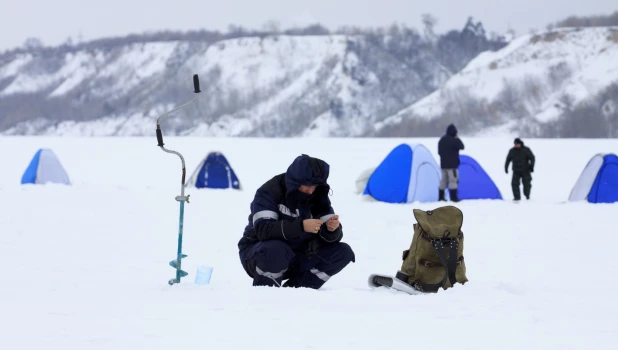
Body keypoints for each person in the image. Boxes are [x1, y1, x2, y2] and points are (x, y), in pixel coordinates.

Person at [238, 154, 355, 289]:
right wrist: (301, 226)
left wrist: (332, 229)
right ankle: (266, 297)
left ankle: (298, 292)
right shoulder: (269, 192)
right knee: (277, 249)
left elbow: (329, 237)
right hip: (259, 254)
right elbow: (264, 230)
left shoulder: (317, 196)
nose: (311, 191)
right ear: (296, 181)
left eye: (315, 186)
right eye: (308, 186)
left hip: (298, 253)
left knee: (343, 252)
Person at [438, 124, 465, 202]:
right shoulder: (454, 140)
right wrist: (458, 139)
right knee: (453, 180)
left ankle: (441, 197)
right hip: (452, 165)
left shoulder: (442, 140)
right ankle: (453, 198)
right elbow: (462, 147)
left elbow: (439, 152)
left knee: (443, 180)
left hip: (443, 165)